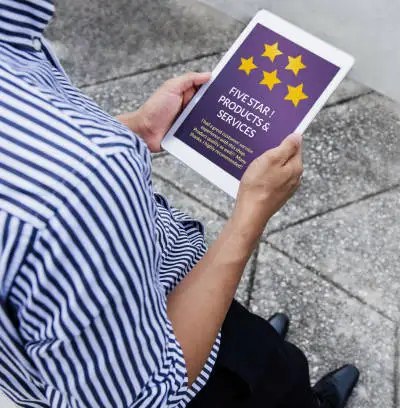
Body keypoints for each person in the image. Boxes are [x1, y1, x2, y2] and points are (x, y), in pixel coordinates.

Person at [0, 1, 360, 407]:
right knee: (276, 381)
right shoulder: (76, 190)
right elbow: (149, 392)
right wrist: (253, 211)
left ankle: (254, 344)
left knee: (252, 342)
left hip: (70, 345)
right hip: (180, 364)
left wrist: (132, 128)